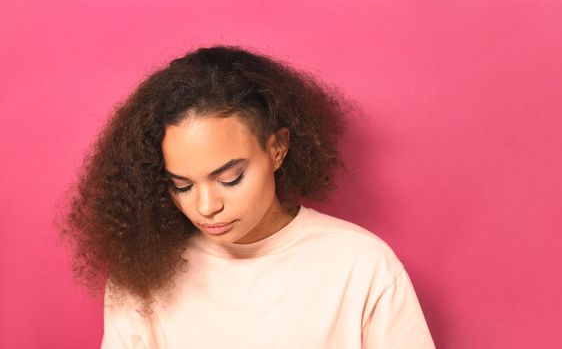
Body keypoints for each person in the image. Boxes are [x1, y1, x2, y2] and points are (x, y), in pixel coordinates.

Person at [59, 45, 436, 348]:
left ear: (277, 148)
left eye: (230, 178)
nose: (206, 207)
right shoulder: (142, 273)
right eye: (182, 185)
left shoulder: (361, 266)